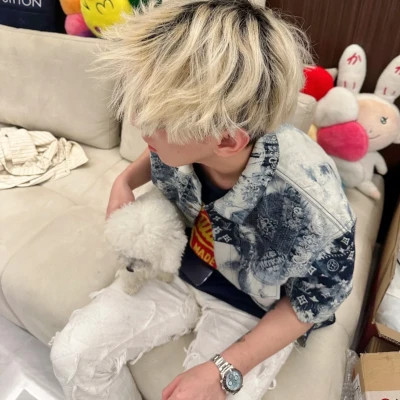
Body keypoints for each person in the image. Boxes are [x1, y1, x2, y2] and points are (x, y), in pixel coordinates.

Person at [50, 1, 356, 399]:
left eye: (156, 118)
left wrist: (223, 368)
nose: (138, 121)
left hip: (253, 307)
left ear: (227, 141)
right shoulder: (193, 139)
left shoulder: (317, 213)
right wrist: (124, 180)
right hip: (177, 267)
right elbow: (161, 150)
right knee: (72, 357)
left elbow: (311, 304)